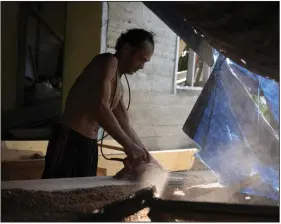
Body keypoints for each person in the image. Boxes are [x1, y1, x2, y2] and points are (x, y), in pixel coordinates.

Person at [42, 28, 158, 179]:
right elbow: (100, 107)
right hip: (70, 139)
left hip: (88, 145)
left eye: (145, 62)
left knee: (81, 195)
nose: (142, 66)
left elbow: (125, 125)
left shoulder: (118, 85)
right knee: (55, 193)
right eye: (141, 59)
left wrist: (146, 156)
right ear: (127, 49)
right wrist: (129, 146)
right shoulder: (108, 61)